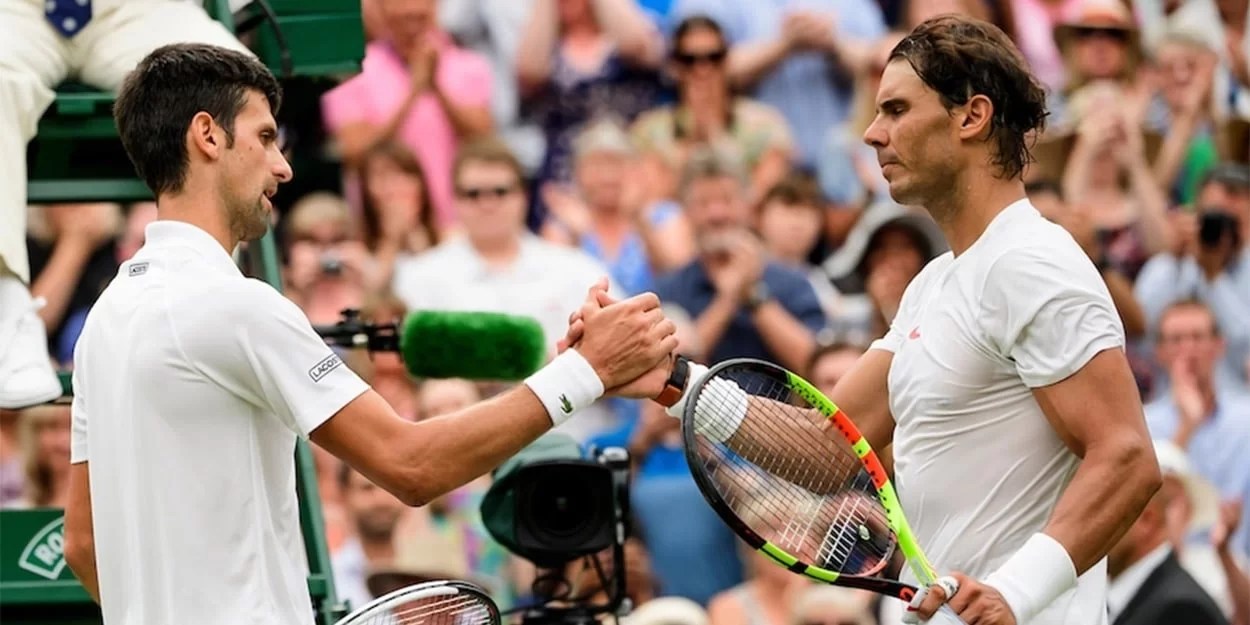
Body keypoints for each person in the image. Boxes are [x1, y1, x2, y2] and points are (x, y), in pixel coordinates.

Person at [562, 14, 1161, 625]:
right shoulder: (936, 282)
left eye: (897, 109)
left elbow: (1127, 458)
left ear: (971, 117)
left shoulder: (1033, 263)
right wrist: (674, 379)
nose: (873, 134)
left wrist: (1014, 591)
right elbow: (829, 447)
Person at [62, 43, 679, 625]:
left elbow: (83, 544)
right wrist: (585, 373)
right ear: (207, 136)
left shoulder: (106, 320)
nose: (283, 166)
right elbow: (412, 465)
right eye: (266, 137)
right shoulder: (237, 305)